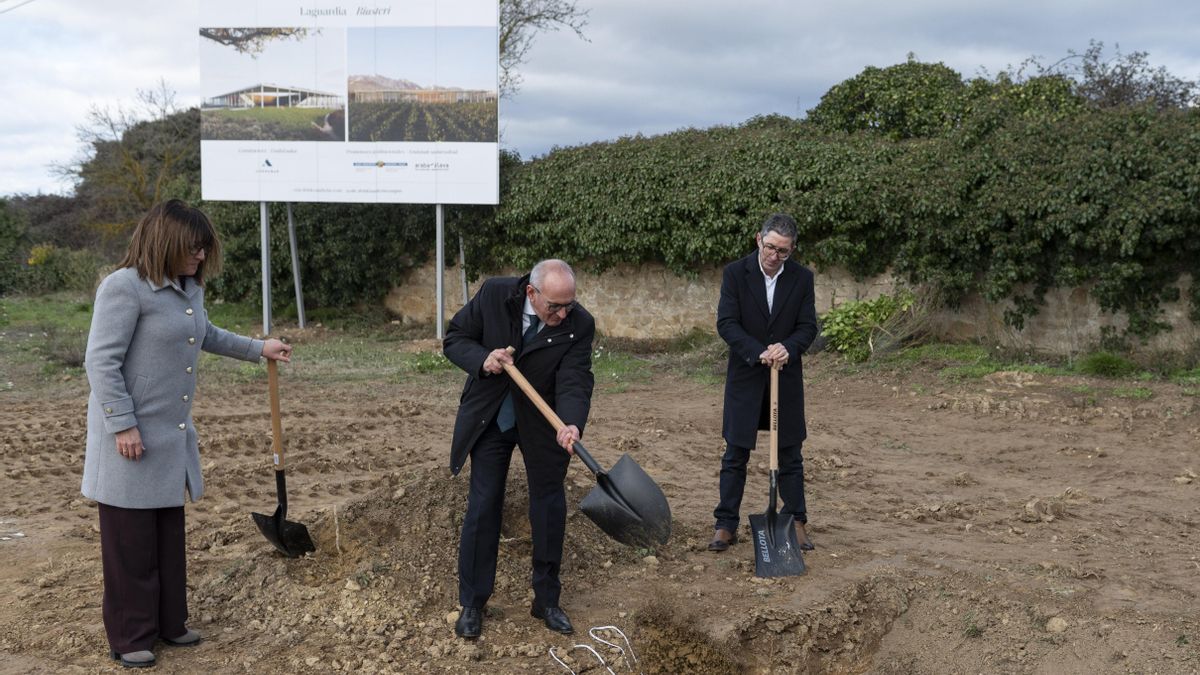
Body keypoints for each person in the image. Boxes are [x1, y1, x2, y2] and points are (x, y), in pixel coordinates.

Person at [82, 200, 293, 668]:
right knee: (130, 545)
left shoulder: (186, 289)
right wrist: (123, 424)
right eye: (193, 249)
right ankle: (130, 635)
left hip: (168, 435)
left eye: (204, 249)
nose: (200, 257)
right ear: (166, 242)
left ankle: (168, 623)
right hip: (129, 437)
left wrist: (260, 348)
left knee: (165, 538)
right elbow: (101, 362)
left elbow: (205, 333)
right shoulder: (124, 288)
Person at [443, 259, 595, 639]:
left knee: (548, 505)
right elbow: (456, 338)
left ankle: (546, 601)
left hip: (543, 422)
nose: (562, 314)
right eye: (553, 307)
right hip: (492, 417)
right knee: (483, 503)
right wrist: (484, 359)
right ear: (531, 292)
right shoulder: (496, 294)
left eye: (568, 305)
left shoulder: (580, 324)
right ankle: (473, 602)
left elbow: (576, 379)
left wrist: (571, 421)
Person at [709, 213, 819, 553]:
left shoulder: (801, 279)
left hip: (784, 378)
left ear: (792, 250)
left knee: (790, 453)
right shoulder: (735, 274)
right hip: (746, 376)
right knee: (735, 453)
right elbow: (727, 323)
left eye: (783, 251)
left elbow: (807, 326)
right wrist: (759, 352)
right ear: (759, 239)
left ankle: (796, 519)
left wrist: (787, 348)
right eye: (770, 247)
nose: (774, 256)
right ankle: (726, 523)